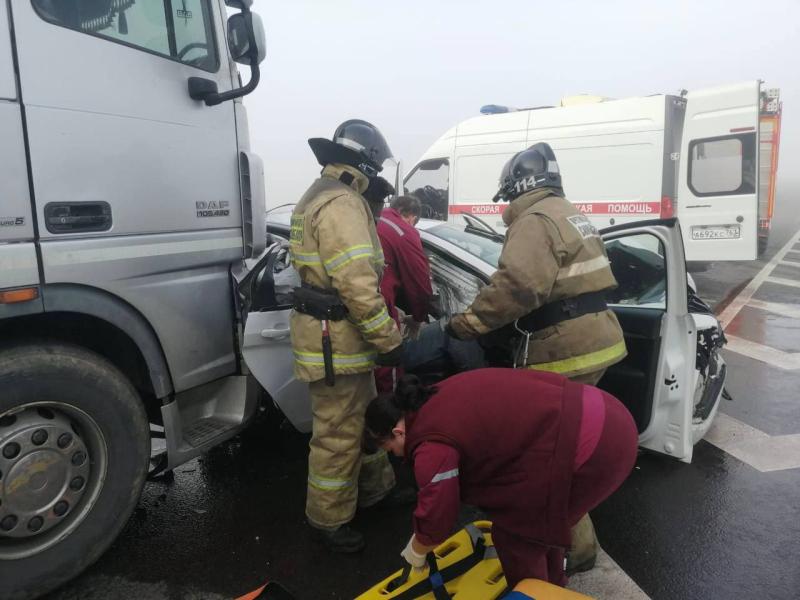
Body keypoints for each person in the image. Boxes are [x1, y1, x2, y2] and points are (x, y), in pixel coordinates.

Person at [445, 142, 628, 571]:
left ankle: (574, 549)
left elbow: (518, 287)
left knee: (550, 458)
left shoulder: (532, 220)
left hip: (563, 348)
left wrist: (467, 325)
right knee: (568, 450)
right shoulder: (569, 213)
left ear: (516, 186)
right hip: (598, 339)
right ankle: (572, 541)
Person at [364, 371, 638, 589]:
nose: (397, 457)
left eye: (390, 450)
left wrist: (417, 549)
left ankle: (535, 592)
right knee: (540, 526)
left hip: (598, 448)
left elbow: (437, 516)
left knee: (517, 538)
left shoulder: (430, 444)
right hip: (604, 411)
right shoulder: (434, 396)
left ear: (398, 432)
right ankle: (553, 587)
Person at [289, 119, 406, 553]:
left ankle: (376, 493)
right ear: (368, 163)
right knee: (338, 433)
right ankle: (328, 521)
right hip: (336, 340)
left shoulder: (318, 194)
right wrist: (389, 339)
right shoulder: (342, 202)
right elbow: (358, 285)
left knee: (366, 420)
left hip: (334, 339)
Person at [373, 195, 433, 392]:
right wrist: (418, 317)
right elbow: (419, 282)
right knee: (388, 369)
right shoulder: (402, 231)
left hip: (362, 302)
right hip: (379, 308)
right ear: (412, 216)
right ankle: (390, 417)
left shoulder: (375, 219)